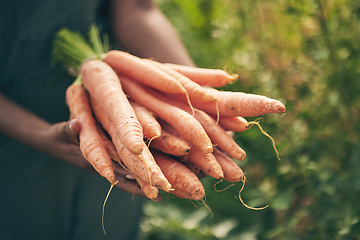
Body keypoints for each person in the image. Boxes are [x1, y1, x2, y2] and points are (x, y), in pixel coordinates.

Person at [0, 0, 194, 239]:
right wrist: (39, 134)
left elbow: (137, 9)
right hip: (12, 141)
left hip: (115, 142)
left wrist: (195, 102)